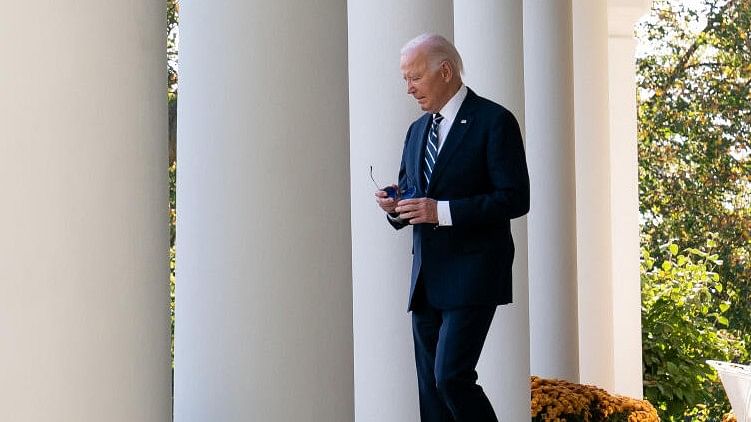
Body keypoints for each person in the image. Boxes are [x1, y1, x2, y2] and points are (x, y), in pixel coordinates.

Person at [374, 33, 530, 422]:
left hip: (474, 273)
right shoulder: (416, 131)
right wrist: (396, 204)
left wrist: (440, 211)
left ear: (445, 71)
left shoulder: (494, 121)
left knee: (451, 378)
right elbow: (414, 192)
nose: (409, 89)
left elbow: (514, 198)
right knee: (430, 391)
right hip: (426, 277)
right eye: (405, 80)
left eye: (415, 78)